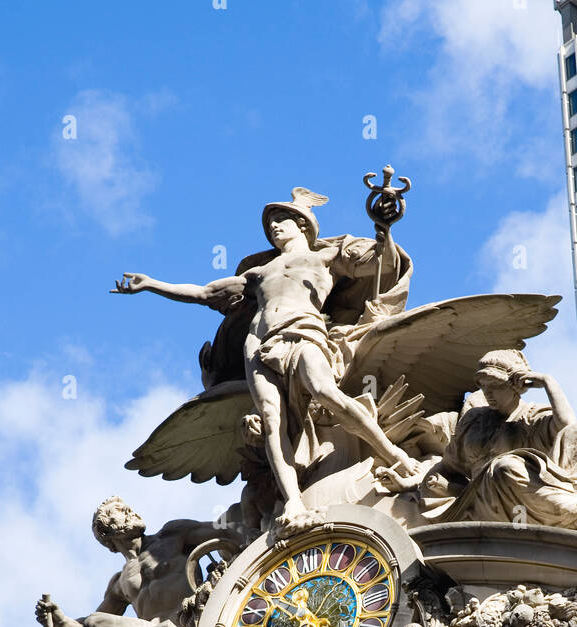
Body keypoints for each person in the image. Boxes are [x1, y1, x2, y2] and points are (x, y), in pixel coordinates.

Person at [113, 189, 417, 532]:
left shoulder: (326, 256)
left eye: (280, 220)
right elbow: (204, 293)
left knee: (325, 392)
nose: (273, 228)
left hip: (303, 331)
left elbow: (384, 263)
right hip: (259, 346)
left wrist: (384, 227)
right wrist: (152, 284)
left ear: (303, 224)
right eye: (269, 223)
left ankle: (395, 456)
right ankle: (293, 503)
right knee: (272, 421)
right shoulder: (257, 273)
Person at [376, 349, 577, 535]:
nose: (488, 393)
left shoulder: (533, 416)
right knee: (501, 468)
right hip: (480, 503)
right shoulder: (473, 421)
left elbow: (566, 426)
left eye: (495, 385)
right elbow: (448, 465)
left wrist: (548, 383)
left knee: (544, 450)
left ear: (517, 385)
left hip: (526, 497)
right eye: (483, 386)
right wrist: (408, 483)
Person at [35, 497, 236, 627]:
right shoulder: (119, 581)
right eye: (119, 511)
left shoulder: (173, 534)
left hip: (184, 625)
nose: (130, 511)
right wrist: (62, 622)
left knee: (96, 624)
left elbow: (227, 531)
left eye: (127, 507)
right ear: (106, 533)